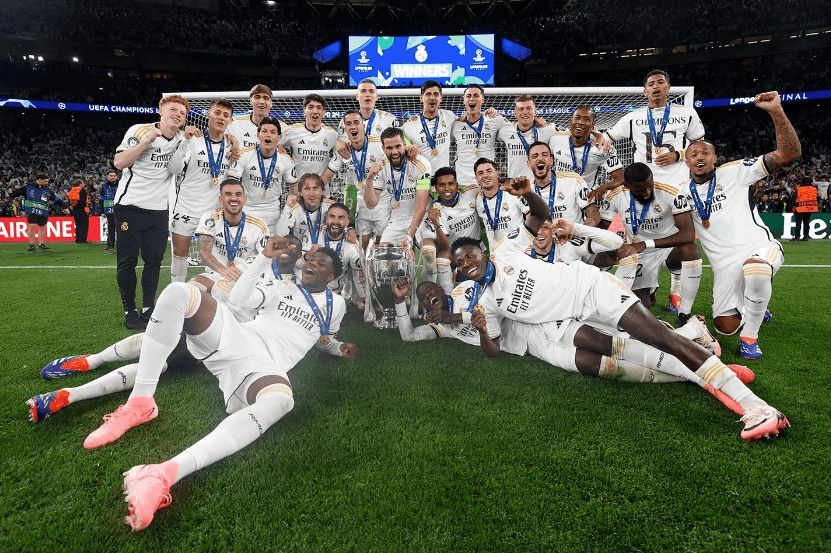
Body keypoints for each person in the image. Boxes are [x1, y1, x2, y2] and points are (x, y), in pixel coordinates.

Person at [452, 176, 788, 441]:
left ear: (482, 252)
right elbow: (490, 343)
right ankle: (693, 338)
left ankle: (757, 406)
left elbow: (539, 215)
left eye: (470, 254)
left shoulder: (505, 252)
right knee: (624, 349)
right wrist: (479, 328)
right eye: (460, 262)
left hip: (593, 290)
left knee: (658, 338)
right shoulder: (485, 301)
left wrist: (528, 195)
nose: (467, 262)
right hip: (568, 320)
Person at [80, 237, 357, 530]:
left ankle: (161, 474)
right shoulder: (281, 287)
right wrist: (264, 258)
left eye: (321, 262)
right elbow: (238, 300)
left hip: (263, 366)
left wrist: (339, 348)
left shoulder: (336, 304)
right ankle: (141, 402)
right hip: (238, 337)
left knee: (282, 400)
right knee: (178, 292)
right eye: (311, 259)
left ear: (333, 276)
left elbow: (321, 339)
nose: (312, 263)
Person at [683, 91, 801, 359]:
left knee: (756, 270)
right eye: (693, 153)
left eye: (706, 152)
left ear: (715, 159)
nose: (699, 156)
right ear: (687, 161)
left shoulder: (736, 171)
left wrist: (776, 111)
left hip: (757, 247)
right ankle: (756, 304)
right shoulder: (681, 192)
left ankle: (750, 339)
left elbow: (790, 152)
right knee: (725, 327)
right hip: (723, 264)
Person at [112, 95, 187, 330]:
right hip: (129, 206)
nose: (178, 115)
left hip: (158, 210)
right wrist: (145, 142)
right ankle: (129, 310)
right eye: (173, 109)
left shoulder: (181, 139)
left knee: (154, 261)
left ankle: (148, 307)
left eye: (182, 113)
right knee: (127, 261)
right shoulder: (139, 130)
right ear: (160, 111)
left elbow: (173, 170)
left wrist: (183, 144)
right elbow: (120, 163)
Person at [597, 162, 702, 325]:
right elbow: (602, 227)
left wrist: (646, 244)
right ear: (627, 185)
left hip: (668, 247)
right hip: (640, 254)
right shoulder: (615, 196)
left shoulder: (671, 191)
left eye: (649, 186)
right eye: (639, 190)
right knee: (642, 309)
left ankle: (684, 313)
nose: (646, 193)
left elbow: (688, 234)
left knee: (691, 251)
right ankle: (650, 290)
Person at [166, 99, 235, 282]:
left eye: (226, 115)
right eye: (217, 113)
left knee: (214, 259)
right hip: (186, 209)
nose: (221, 117)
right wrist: (185, 140)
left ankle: (211, 300)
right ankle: (177, 293)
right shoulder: (193, 140)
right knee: (179, 255)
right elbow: (173, 168)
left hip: (213, 213)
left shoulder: (231, 147)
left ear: (231, 121)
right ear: (208, 115)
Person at [604, 69, 705, 189]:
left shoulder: (687, 113)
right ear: (645, 92)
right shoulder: (633, 117)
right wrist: (617, 169)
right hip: (644, 186)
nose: (656, 86)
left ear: (668, 87)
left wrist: (678, 155)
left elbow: (700, 145)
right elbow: (605, 140)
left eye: (660, 82)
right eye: (651, 84)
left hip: (678, 184)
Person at [324, 110, 388, 250]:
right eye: (348, 124)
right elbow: (326, 176)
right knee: (361, 248)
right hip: (362, 205)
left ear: (363, 126)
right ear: (345, 129)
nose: (353, 127)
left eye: (356, 123)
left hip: (384, 203)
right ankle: (363, 272)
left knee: (383, 248)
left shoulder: (380, 145)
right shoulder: (343, 150)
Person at [192, 178, 269, 293]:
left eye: (238, 194)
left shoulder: (259, 225)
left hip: (246, 277)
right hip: (217, 274)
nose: (233, 198)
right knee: (192, 290)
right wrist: (223, 271)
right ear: (220, 199)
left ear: (244, 199)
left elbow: (265, 257)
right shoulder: (210, 218)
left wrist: (244, 272)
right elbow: (204, 252)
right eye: (228, 194)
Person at [227, 117, 297, 234]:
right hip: (247, 212)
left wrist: (290, 210)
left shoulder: (286, 160)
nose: (268, 135)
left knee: (271, 251)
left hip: (273, 215)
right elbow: (230, 185)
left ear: (278, 138)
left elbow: (295, 190)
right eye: (264, 131)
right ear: (258, 135)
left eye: (272, 132)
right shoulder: (243, 155)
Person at [364, 127, 432, 247]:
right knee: (384, 254)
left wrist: (410, 236)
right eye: (389, 148)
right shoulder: (381, 167)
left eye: (398, 146)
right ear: (383, 149)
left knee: (428, 251)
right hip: (397, 220)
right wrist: (369, 179)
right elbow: (371, 204)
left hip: (423, 218)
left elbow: (421, 207)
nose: (394, 152)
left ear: (404, 145)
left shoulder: (421, 164)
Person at [419, 167, 480, 292]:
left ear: (457, 185)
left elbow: (490, 185)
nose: (447, 188)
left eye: (451, 184)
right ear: (435, 188)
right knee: (442, 256)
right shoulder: (436, 210)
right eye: (441, 185)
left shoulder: (470, 193)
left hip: (476, 251)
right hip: (456, 256)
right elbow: (444, 246)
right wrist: (436, 224)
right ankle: (449, 298)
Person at [549, 106, 624, 193]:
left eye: (587, 119)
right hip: (559, 194)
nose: (580, 122)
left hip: (585, 197)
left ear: (592, 125)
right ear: (571, 121)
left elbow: (621, 177)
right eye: (577, 118)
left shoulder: (602, 149)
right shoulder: (556, 139)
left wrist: (601, 189)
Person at [303, 202, 365, 306]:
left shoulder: (352, 244)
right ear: (326, 219)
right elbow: (297, 265)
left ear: (347, 222)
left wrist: (364, 298)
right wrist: (308, 255)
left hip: (332, 295)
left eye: (341, 218)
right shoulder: (313, 236)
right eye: (332, 217)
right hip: (307, 289)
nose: (335, 221)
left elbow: (359, 274)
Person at [527, 141, 598, 225]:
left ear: (551, 160)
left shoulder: (573, 180)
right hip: (543, 237)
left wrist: (578, 234)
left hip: (573, 237)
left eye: (545, 155)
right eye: (535, 156)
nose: (540, 159)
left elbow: (594, 214)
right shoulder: (525, 191)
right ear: (528, 164)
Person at [281, 94, 339, 196]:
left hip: (322, 192)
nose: (315, 111)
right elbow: (273, 144)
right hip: (298, 193)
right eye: (311, 107)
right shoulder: (292, 131)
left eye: (319, 108)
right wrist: (279, 148)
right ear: (304, 111)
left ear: (323, 113)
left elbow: (342, 151)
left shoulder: (332, 134)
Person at [451, 85, 506, 187]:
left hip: (487, 182)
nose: (472, 99)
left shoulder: (493, 121)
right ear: (464, 100)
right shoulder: (456, 124)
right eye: (468, 96)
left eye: (476, 95)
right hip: (463, 183)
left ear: (482, 100)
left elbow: (515, 129)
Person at [401, 80, 457, 173]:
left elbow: (469, 120)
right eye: (428, 94)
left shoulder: (449, 116)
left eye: (436, 94)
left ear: (441, 98)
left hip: (443, 178)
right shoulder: (409, 126)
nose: (432, 97)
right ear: (421, 98)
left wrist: (488, 113)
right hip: (422, 178)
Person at [496, 94, 556, 180]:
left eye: (529, 108)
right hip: (515, 185)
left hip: (540, 185)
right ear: (515, 113)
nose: (525, 112)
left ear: (535, 111)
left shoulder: (547, 130)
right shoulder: (506, 131)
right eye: (521, 109)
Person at [474, 158, 527, 246]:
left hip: (518, 251)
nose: (485, 175)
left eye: (489, 171)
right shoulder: (478, 200)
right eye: (480, 173)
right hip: (496, 256)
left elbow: (531, 219)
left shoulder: (513, 192)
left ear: (498, 173)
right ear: (476, 178)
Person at [276, 173, 335, 247]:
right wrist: (287, 207)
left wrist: (350, 230)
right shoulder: (294, 208)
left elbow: (344, 228)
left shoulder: (332, 206)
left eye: (315, 188)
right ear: (300, 192)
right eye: (307, 189)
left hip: (324, 252)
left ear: (322, 190)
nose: (311, 194)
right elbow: (280, 235)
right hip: (301, 253)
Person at [10, 172, 63, 250]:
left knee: (42, 227)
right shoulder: (28, 187)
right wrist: (11, 193)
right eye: (45, 181)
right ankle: (31, 244)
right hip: (32, 210)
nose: (47, 183)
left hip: (43, 211)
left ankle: (41, 244)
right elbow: (16, 193)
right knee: (32, 226)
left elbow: (56, 198)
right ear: (39, 180)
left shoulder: (47, 189)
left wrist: (64, 206)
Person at [226, 84, 283, 150]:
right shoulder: (234, 123)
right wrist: (228, 136)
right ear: (250, 101)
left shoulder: (282, 128)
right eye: (257, 97)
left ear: (271, 103)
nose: (261, 102)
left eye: (266, 98)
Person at [793, 176, 818, 241]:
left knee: (798, 223)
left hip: (800, 207)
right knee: (806, 222)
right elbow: (816, 197)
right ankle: (806, 237)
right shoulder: (814, 189)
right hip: (809, 208)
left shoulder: (799, 189)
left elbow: (794, 198)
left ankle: (797, 237)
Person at [68, 177, 90, 243]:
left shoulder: (71, 191)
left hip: (74, 210)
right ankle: (83, 240)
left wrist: (74, 207)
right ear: (80, 184)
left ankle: (78, 239)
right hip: (82, 210)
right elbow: (83, 201)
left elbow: (70, 200)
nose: (83, 184)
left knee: (78, 225)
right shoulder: (82, 190)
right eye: (83, 183)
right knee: (84, 225)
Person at [101, 169, 119, 251]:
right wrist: (102, 209)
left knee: (121, 227)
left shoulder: (121, 184)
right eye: (111, 176)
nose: (113, 177)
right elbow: (101, 197)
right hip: (109, 209)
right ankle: (110, 245)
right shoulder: (104, 186)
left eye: (114, 176)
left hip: (120, 209)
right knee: (111, 226)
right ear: (107, 177)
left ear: (117, 177)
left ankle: (121, 245)